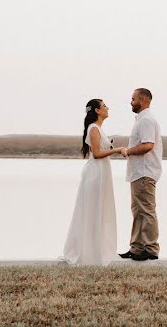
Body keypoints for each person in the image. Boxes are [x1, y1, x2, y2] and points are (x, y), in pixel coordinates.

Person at [61, 98, 124, 266]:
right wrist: (117, 150)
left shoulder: (99, 129)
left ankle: (99, 248)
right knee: (93, 209)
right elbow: (96, 154)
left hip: (102, 172)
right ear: (97, 110)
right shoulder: (94, 128)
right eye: (104, 106)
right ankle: (89, 251)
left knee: (100, 209)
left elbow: (101, 150)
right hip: (96, 174)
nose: (107, 108)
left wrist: (110, 146)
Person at [118, 88, 163, 261]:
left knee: (146, 210)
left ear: (143, 100)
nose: (131, 102)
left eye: (133, 98)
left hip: (145, 172)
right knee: (137, 211)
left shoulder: (147, 121)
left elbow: (148, 145)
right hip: (138, 173)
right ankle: (136, 247)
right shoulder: (142, 120)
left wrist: (128, 151)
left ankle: (151, 248)